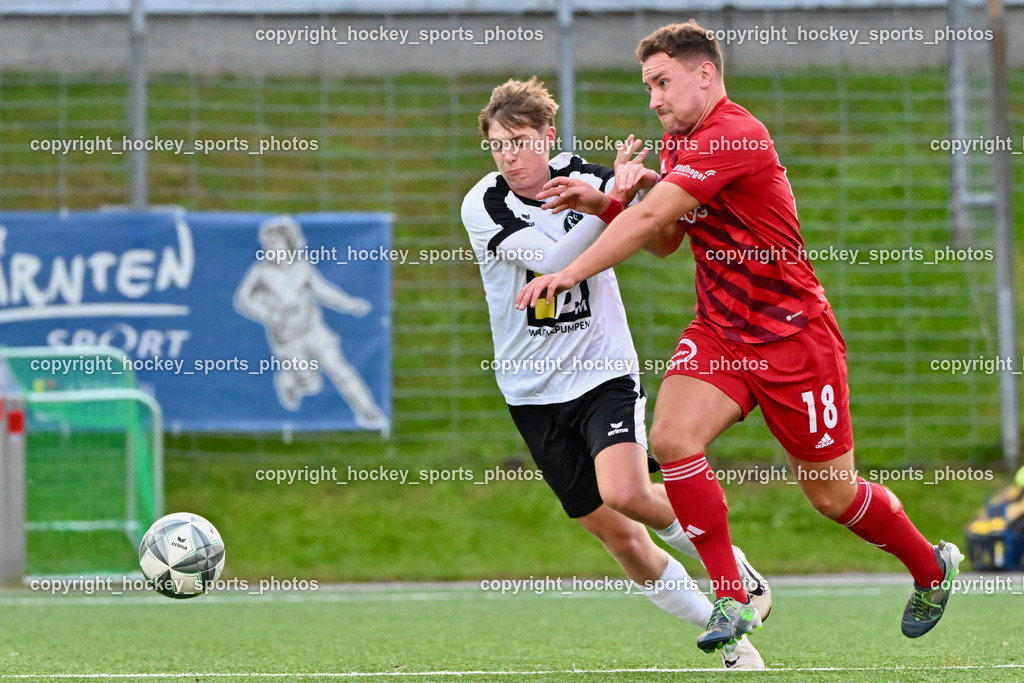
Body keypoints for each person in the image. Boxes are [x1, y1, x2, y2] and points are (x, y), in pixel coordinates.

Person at [516, 22, 962, 653]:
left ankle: (930, 567)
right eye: (648, 86)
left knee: (832, 496)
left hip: (794, 338)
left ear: (706, 74)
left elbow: (651, 220)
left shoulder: (736, 134)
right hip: (722, 331)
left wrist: (569, 271)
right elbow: (667, 238)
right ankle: (732, 592)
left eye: (662, 82)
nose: (653, 100)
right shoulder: (678, 144)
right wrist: (603, 202)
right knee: (671, 439)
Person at [463, 77, 769, 669]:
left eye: (521, 141)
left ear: (547, 137)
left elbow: (661, 244)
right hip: (531, 391)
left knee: (626, 491)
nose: (509, 155)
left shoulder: (586, 171)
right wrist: (616, 205)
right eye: (498, 144)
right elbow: (555, 261)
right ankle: (728, 633)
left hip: (603, 372)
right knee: (620, 536)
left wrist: (628, 195)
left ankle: (732, 575)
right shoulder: (485, 202)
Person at [234, 216, 390, 435]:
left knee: (339, 368)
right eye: (268, 246)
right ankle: (290, 381)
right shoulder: (261, 272)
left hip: (312, 328)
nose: (271, 250)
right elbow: (243, 299)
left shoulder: (302, 268)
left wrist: (348, 303)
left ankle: (367, 411)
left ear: (289, 244)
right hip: (287, 339)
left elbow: (323, 291)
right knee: (311, 384)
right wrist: (268, 314)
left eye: (276, 244)